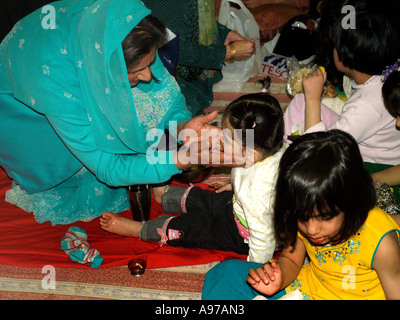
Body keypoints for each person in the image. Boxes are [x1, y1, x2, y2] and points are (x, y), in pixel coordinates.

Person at [0, 0, 232, 225]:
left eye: (149, 64)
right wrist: (180, 160)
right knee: (92, 166)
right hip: (27, 114)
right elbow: (107, 167)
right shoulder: (54, 84)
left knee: (144, 107)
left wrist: (181, 126)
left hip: (66, 62)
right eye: (138, 70)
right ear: (103, 67)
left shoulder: (125, 27)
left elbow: (166, 96)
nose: (148, 76)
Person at [100, 77, 287, 263]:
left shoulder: (256, 194)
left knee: (195, 228)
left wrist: (252, 269)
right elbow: (270, 185)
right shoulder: (271, 148)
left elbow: (264, 240)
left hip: (241, 235)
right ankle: (167, 195)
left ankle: (142, 229)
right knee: (206, 198)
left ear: (251, 154)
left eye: (226, 139)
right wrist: (232, 185)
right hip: (240, 206)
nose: (220, 138)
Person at [202, 130, 400, 300]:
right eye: (302, 217)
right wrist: (278, 280)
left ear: (352, 201)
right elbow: (292, 258)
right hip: (306, 289)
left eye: (326, 217)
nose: (311, 230)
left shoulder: (382, 242)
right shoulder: (301, 209)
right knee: (224, 274)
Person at [283, 10, 400, 167]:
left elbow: (319, 154)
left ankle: (283, 153)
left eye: (336, 46)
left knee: (307, 104)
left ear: (344, 56)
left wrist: (313, 98)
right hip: (364, 133)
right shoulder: (389, 72)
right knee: (300, 101)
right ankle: (286, 141)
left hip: (368, 164)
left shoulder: (366, 105)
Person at [142, 0, 255, 117]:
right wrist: (226, 53)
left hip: (175, 66)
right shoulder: (169, 3)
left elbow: (193, 18)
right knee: (180, 113)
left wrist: (223, 33)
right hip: (158, 71)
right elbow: (174, 49)